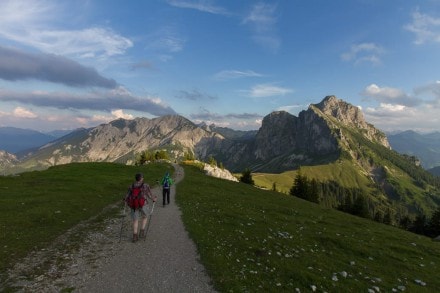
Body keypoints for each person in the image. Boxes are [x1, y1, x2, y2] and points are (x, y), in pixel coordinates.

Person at [125, 173, 157, 243]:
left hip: (134, 205)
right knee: (145, 217)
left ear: (136, 178)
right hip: (143, 204)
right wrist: (153, 199)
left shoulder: (131, 186)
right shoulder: (145, 185)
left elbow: (127, 196)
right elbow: (149, 195)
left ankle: (135, 236)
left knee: (135, 220)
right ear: (141, 178)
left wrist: (125, 201)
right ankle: (142, 232)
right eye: (143, 178)